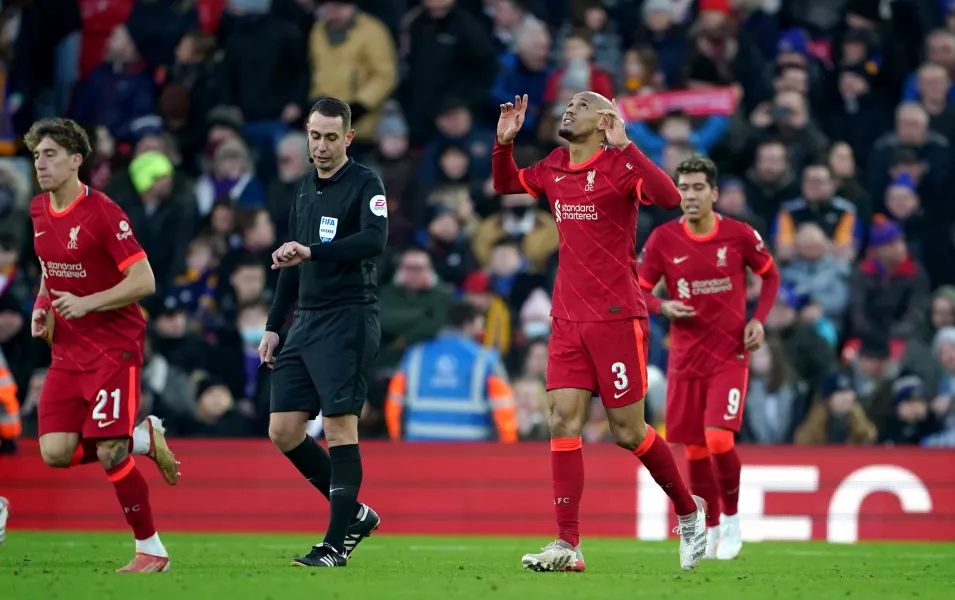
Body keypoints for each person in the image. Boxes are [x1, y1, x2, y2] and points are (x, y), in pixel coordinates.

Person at [492, 92, 708, 573]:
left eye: (582, 105)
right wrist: (504, 145)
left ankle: (690, 513)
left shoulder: (619, 166)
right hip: (568, 317)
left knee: (627, 432)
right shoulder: (552, 165)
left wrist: (628, 145)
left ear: (605, 120)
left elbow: (671, 199)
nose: (569, 110)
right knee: (561, 419)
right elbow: (505, 183)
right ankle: (568, 544)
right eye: (567, 105)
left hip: (617, 317)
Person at [26, 117, 180, 573]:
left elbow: (144, 280)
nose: (41, 163)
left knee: (110, 452)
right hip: (67, 350)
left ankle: (151, 550)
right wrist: (43, 305)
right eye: (36, 155)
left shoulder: (104, 213)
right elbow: (48, 268)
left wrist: (87, 302)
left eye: (51, 154)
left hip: (115, 347)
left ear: (77, 160)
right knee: (55, 452)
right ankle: (142, 437)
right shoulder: (37, 210)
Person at [259, 98, 386, 568]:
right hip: (306, 321)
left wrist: (311, 251)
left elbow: (375, 239)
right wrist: (274, 326)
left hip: (349, 317)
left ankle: (334, 546)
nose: (322, 146)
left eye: (332, 137)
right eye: (315, 136)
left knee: (338, 427)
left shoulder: (365, 182)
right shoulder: (304, 189)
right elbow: (290, 267)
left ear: (348, 138)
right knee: (284, 429)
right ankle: (354, 516)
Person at [637, 156, 781, 561]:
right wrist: (663, 307)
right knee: (696, 451)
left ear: (714, 193)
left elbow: (769, 275)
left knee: (719, 439)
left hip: (730, 353)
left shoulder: (739, 235)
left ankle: (733, 521)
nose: (690, 195)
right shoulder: (664, 240)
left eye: (698, 187)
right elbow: (641, 291)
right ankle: (712, 525)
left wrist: (759, 320)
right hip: (684, 359)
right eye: (683, 188)